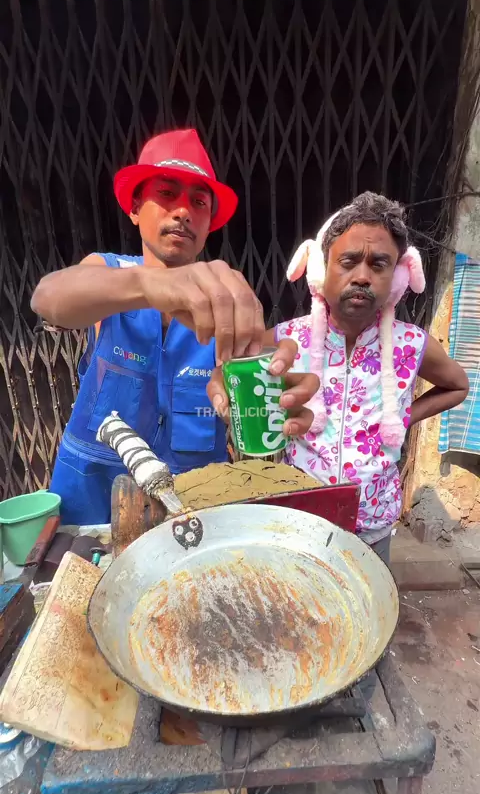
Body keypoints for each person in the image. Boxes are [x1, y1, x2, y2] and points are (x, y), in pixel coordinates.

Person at [31, 128, 319, 525]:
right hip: (91, 496)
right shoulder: (107, 272)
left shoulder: (224, 299)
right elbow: (48, 297)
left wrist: (265, 397)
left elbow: (246, 386)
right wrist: (150, 285)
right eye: (167, 193)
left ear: (209, 223)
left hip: (190, 501)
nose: (183, 211)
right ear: (135, 209)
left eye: (198, 202)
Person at [217, 192, 469, 563]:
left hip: (373, 527)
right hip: (300, 522)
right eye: (348, 262)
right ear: (321, 269)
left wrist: (405, 416)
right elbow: (229, 375)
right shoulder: (287, 339)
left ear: (397, 276)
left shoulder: (413, 344)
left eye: (379, 264)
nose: (363, 277)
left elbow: (458, 386)